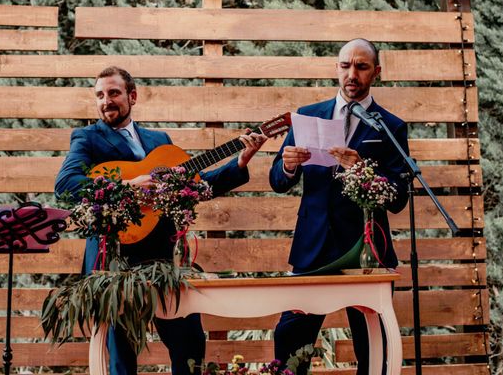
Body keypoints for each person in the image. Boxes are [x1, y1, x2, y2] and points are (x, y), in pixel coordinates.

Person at [55, 66, 267, 375]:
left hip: (163, 262)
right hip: (116, 265)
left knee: (190, 344)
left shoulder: (159, 140)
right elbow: (66, 184)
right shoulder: (87, 138)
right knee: (122, 356)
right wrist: (129, 186)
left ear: (132, 96)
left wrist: (240, 163)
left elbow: (196, 185)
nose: (106, 101)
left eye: (114, 93)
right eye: (99, 95)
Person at [269, 39, 409, 374]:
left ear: (376, 72)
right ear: (336, 68)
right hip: (312, 248)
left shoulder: (390, 126)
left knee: (373, 348)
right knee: (289, 343)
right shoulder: (306, 116)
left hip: (365, 251)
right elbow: (277, 180)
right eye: (346, 65)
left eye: (361, 67)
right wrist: (288, 165)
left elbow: (398, 198)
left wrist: (361, 169)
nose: (352, 74)